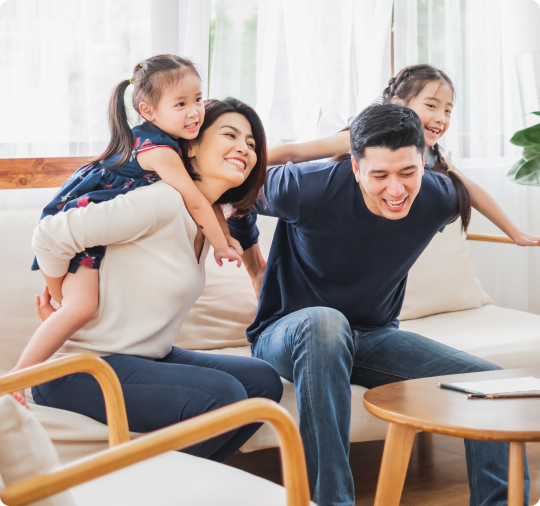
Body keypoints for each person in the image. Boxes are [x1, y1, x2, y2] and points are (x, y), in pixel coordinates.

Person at [227, 104, 530, 506]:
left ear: (423, 162)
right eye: (379, 175)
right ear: (355, 168)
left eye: (408, 172)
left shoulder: (437, 197)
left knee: (491, 385)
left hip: (371, 337)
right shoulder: (308, 187)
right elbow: (234, 191)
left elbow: (466, 190)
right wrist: (254, 264)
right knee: (325, 323)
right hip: (288, 333)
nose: (396, 189)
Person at [11, 97, 283, 463]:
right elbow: (50, 234)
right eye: (230, 135)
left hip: (146, 357)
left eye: (251, 143)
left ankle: (170, 484)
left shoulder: (209, 219)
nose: (243, 148)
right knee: (227, 395)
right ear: (192, 146)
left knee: (263, 382)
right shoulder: (163, 201)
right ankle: (144, 489)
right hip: (82, 367)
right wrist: (62, 294)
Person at [26, 54, 243, 394]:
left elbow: (208, 203)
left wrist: (224, 235)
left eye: (199, 99)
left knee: (79, 306)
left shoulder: (170, 146)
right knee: (80, 306)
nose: (195, 111)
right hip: (82, 212)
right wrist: (221, 245)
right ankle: (17, 380)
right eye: (181, 103)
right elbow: (196, 201)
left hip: (97, 224)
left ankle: (58, 321)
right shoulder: (160, 151)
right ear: (148, 112)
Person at [268, 64, 540, 247]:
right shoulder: (366, 136)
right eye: (431, 106)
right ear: (399, 104)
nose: (441, 118)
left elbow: (470, 188)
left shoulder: (429, 153)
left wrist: (514, 232)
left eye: (447, 110)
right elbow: (296, 151)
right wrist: (251, 162)